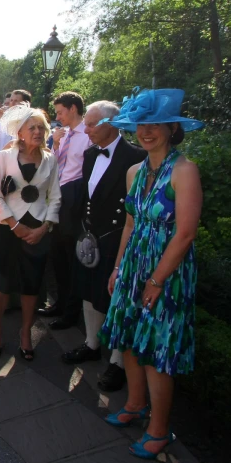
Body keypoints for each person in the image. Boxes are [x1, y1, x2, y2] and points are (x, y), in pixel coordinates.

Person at [99, 89, 203, 460]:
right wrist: (118, 267)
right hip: (133, 266)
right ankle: (135, 404)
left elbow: (185, 233)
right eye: (141, 123)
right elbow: (129, 224)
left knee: (158, 349)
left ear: (173, 127)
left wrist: (156, 281)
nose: (147, 131)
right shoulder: (133, 171)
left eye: (155, 123)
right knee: (127, 338)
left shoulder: (184, 170)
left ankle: (159, 430)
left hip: (167, 273)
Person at [61, 101, 147, 393]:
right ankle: (91, 343)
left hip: (116, 237)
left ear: (112, 123)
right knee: (88, 291)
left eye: (91, 124)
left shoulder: (136, 156)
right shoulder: (89, 154)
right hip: (89, 236)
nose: (86, 130)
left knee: (114, 298)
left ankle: (117, 362)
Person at [0, 106, 61, 361]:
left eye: (42, 127)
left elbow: (55, 196)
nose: (38, 132)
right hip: (9, 227)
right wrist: (15, 225)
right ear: (20, 132)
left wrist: (44, 228)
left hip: (38, 229)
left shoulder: (50, 158)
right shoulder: (5, 157)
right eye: (33, 128)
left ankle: (26, 333)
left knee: (32, 283)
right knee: (3, 281)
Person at [39, 92, 92, 330]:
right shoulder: (65, 134)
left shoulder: (88, 136)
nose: (57, 116)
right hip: (58, 196)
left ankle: (72, 312)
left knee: (71, 257)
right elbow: (56, 164)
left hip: (75, 199)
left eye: (60, 111)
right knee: (58, 255)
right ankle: (59, 303)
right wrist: (57, 143)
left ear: (73, 109)